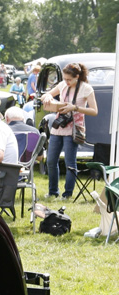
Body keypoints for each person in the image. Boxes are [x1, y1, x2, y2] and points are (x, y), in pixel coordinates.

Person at [41, 62, 97, 200]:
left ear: (77, 77)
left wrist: (75, 108)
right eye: (64, 79)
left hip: (74, 128)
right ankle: (53, 191)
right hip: (59, 126)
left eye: (69, 79)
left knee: (70, 163)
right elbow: (46, 94)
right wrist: (47, 96)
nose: (66, 82)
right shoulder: (63, 85)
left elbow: (94, 111)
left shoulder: (86, 88)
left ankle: (67, 194)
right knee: (51, 160)